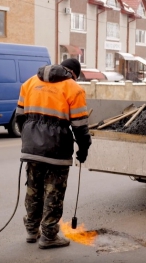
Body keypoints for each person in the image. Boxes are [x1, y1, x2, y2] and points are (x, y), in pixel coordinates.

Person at [15, 58, 91, 249]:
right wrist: (83, 148)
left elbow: (19, 117)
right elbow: (80, 127)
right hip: (57, 149)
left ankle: (32, 231)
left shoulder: (30, 83)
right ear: (74, 74)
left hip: (32, 148)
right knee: (53, 193)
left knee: (33, 189)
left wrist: (30, 139)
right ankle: (49, 236)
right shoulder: (73, 88)